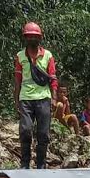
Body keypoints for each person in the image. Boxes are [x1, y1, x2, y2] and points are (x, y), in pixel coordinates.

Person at [13, 22, 58, 169]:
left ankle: (41, 164)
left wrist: (54, 97)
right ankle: (25, 163)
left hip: (43, 98)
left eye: (35, 36)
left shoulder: (48, 55)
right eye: (29, 36)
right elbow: (18, 80)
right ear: (25, 38)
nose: (32, 39)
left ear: (40, 38)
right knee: (25, 130)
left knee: (43, 134)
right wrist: (16, 100)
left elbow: (52, 77)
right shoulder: (20, 56)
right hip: (26, 98)